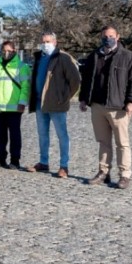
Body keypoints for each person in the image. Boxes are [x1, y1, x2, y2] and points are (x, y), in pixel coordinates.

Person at [79, 25, 132, 189]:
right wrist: (83, 99)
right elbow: (86, 79)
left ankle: (124, 175)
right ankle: (103, 172)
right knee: (103, 142)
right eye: (105, 36)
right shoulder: (94, 56)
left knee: (122, 143)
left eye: (111, 35)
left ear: (118, 36)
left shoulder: (128, 57)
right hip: (98, 106)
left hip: (118, 107)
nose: (108, 38)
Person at [26, 32, 81, 178]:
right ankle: (44, 162)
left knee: (62, 135)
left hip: (57, 104)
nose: (45, 44)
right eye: (43, 42)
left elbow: (75, 80)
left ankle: (64, 166)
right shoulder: (39, 58)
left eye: (48, 41)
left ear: (55, 42)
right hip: (40, 103)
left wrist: (64, 97)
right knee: (42, 135)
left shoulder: (63, 58)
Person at [0, 40, 31, 170]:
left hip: (13, 107)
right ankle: (1, 158)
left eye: (9, 51)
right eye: (4, 51)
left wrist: (22, 102)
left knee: (15, 135)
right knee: (0, 135)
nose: (6, 53)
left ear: (14, 51)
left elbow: (26, 87)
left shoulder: (21, 67)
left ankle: (15, 160)